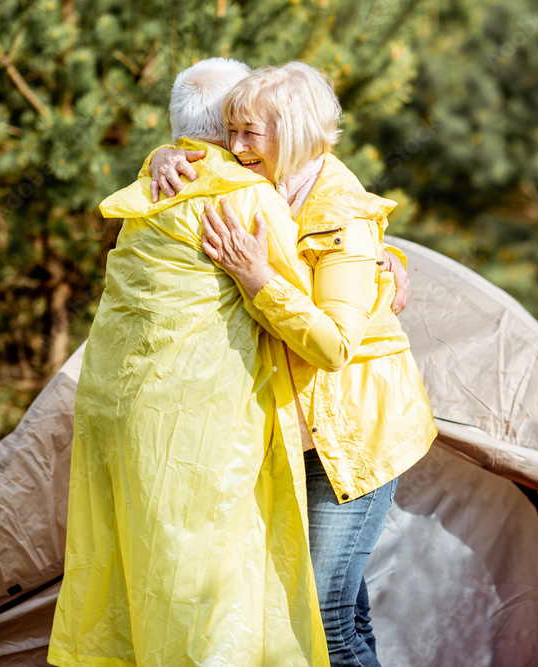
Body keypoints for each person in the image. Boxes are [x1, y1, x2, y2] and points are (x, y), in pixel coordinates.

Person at [149, 62, 437, 667]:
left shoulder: (341, 216)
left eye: (249, 133)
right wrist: (158, 158)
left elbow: (333, 344)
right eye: (231, 131)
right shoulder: (274, 182)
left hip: (352, 440)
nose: (235, 147)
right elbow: (193, 167)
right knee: (347, 613)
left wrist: (257, 280)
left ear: (296, 131)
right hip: (304, 434)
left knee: (324, 620)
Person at [47, 58, 330, 667]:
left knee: (125, 571)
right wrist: (385, 274)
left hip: (111, 410)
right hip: (196, 428)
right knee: (209, 585)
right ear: (233, 122)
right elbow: (317, 314)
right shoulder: (244, 196)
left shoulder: (151, 183)